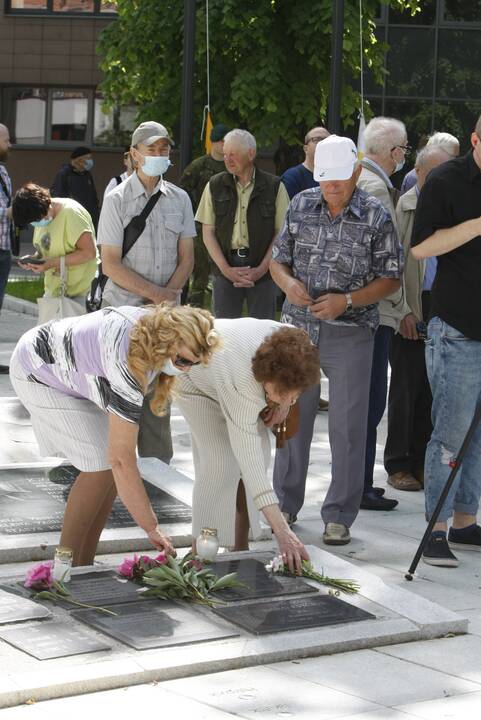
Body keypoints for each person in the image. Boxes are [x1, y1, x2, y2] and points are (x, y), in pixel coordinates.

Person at [10, 304, 219, 566]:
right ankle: (64, 569)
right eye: (183, 361)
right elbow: (122, 458)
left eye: (194, 364)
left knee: (107, 466)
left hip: (71, 371)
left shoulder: (150, 334)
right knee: (100, 465)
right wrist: (151, 526)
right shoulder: (128, 362)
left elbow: (119, 460)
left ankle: (83, 564)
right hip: (38, 370)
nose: (186, 370)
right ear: (167, 341)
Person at [270, 135, 403, 545]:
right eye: (325, 180)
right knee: (291, 421)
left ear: (357, 172)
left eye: (339, 180)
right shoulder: (300, 204)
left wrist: (347, 301)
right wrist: (288, 283)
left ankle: (339, 515)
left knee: (348, 427)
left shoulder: (376, 214)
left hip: (351, 335)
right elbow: (277, 260)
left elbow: (391, 277)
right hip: (298, 331)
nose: (331, 188)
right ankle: (285, 505)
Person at [177, 319, 319, 572]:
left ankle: (240, 548)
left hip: (232, 373)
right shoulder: (243, 380)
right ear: (265, 378)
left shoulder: (301, 349)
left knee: (262, 457)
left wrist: (284, 404)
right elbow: (247, 458)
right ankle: (198, 552)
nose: (287, 398)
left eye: (292, 394)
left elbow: (289, 387)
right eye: (280, 393)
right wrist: (283, 533)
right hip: (196, 384)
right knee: (220, 463)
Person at [98, 120, 196, 464]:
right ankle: (115, 472)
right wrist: (157, 293)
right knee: (121, 396)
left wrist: (168, 296)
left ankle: (158, 474)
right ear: (134, 155)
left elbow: (188, 258)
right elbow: (109, 263)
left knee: (159, 398)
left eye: (164, 149)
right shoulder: (116, 200)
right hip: (123, 314)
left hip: (164, 319)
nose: (158, 155)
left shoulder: (181, 199)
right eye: (151, 149)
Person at [411, 114, 481, 568]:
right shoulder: (446, 180)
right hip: (457, 329)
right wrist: (477, 225)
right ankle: (435, 530)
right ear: (475, 140)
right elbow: (420, 248)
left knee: (479, 436)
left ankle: (465, 520)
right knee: (451, 434)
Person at [385, 145, 452, 492]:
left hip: (444, 304)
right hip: (411, 303)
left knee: (433, 390)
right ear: (420, 172)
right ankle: (398, 463)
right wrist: (402, 311)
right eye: (437, 172)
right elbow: (391, 264)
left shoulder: (454, 203)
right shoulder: (403, 205)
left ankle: (423, 463)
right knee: (405, 389)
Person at [357, 116, 409, 511]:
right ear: (393, 152)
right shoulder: (374, 186)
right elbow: (388, 261)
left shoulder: (361, 179)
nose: (403, 157)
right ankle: (358, 485)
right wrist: (402, 307)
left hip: (362, 309)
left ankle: (358, 483)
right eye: (404, 149)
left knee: (364, 402)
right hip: (374, 312)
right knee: (370, 402)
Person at [196, 129, 289, 320]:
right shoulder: (214, 185)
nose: (227, 159)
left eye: (233, 154)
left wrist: (262, 269)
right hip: (224, 271)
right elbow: (208, 232)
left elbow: (281, 234)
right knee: (224, 333)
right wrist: (225, 269)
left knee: (264, 333)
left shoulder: (274, 186)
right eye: (225, 154)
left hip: (263, 271)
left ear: (251, 154)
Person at [281, 125, 331, 412]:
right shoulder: (293, 179)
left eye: (325, 140)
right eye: (315, 140)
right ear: (305, 147)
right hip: (302, 279)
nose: (320, 144)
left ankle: (314, 393)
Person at [12, 183, 97, 312]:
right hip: (54, 294)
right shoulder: (38, 215)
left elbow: (89, 253)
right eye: (33, 222)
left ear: (47, 203)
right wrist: (35, 259)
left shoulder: (71, 213)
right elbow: (47, 249)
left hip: (81, 295)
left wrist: (50, 264)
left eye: (39, 218)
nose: (38, 222)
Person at [180, 123, 229, 306]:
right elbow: (183, 190)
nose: (225, 145)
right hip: (201, 225)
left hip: (226, 225)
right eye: (222, 141)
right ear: (215, 142)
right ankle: (194, 307)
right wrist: (194, 212)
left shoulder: (232, 165)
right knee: (200, 270)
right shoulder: (200, 165)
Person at [51, 146, 99, 229]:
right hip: (72, 219)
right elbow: (58, 197)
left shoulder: (87, 174)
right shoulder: (65, 174)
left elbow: (93, 196)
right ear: (79, 160)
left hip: (89, 219)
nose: (90, 161)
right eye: (88, 158)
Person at [281, 126, 330, 199]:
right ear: (306, 149)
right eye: (317, 140)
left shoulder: (338, 176)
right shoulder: (292, 177)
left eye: (327, 140)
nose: (323, 143)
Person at [0, 124, 13, 374]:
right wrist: (13, 212)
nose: (10, 145)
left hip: (3, 248)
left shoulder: (3, 171)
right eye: (6, 140)